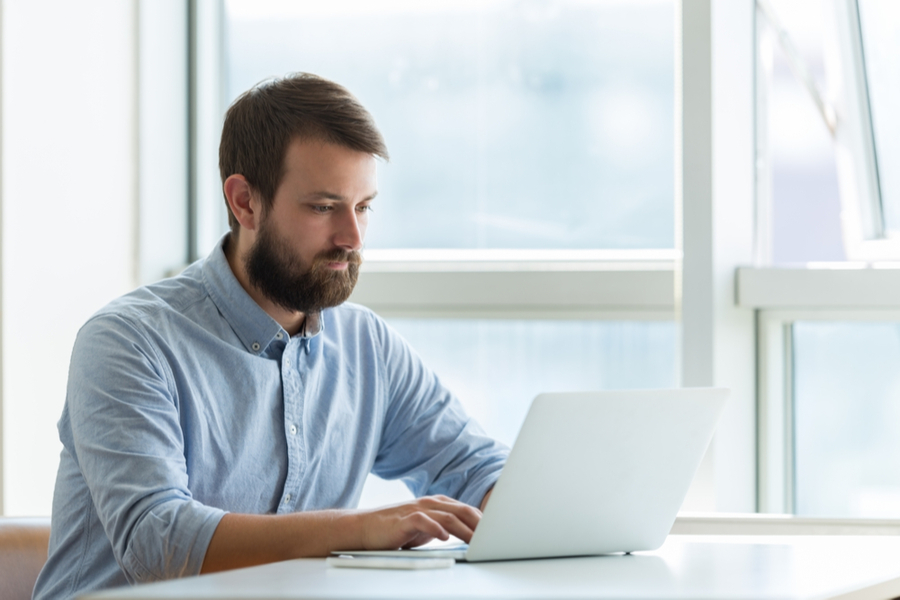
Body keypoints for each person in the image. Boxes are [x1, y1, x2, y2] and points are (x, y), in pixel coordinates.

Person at [33, 73, 508, 600]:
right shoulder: (127, 343)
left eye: (364, 206)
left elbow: (472, 467)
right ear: (245, 203)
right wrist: (361, 530)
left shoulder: (366, 346)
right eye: (324, 207)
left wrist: (547, 505)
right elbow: (157, 542)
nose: (352, 238)